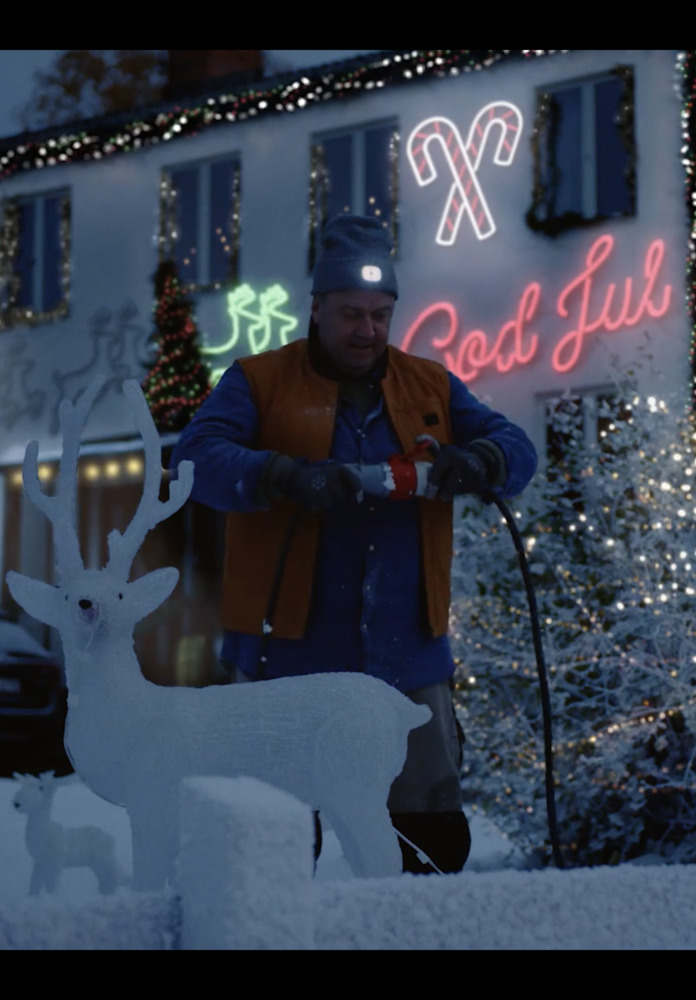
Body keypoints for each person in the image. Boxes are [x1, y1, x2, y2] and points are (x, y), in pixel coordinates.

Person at [173, 213, 536, 874]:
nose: (366, 330)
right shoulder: (259, 381)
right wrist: (280, 474)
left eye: (379, 314)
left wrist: (473, 461)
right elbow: (195, 460)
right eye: (349, 314)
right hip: (283, 656)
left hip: (409, 657)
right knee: (272, 834)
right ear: (316, 309)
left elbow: (520, 451)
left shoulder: (430, 385)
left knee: (428, 829)